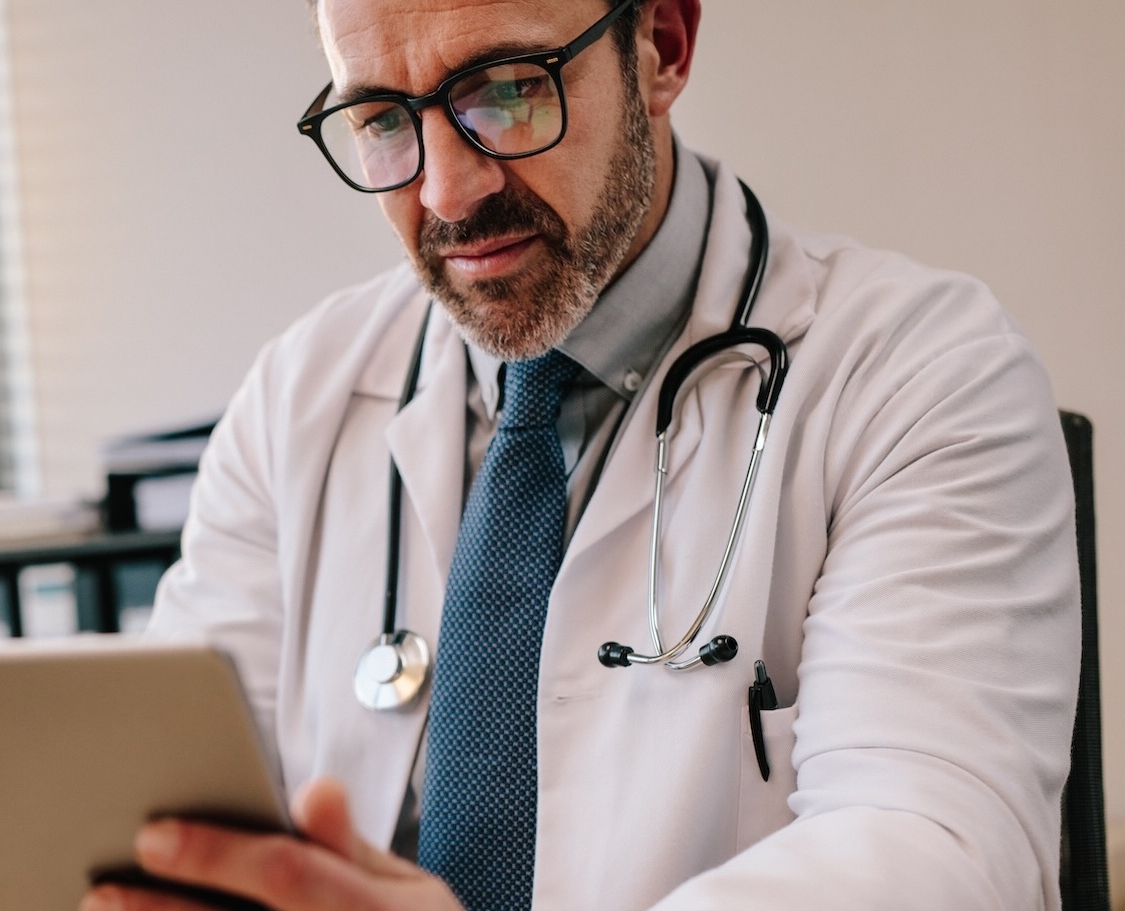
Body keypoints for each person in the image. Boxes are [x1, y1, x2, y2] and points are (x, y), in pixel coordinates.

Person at [82, 0, 1080, 908]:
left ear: (662, 47)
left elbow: (940, 853)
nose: (447, 190)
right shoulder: (297, 398)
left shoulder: (923, 375)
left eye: (508, 91)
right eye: (385, 118)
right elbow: (180, 804)